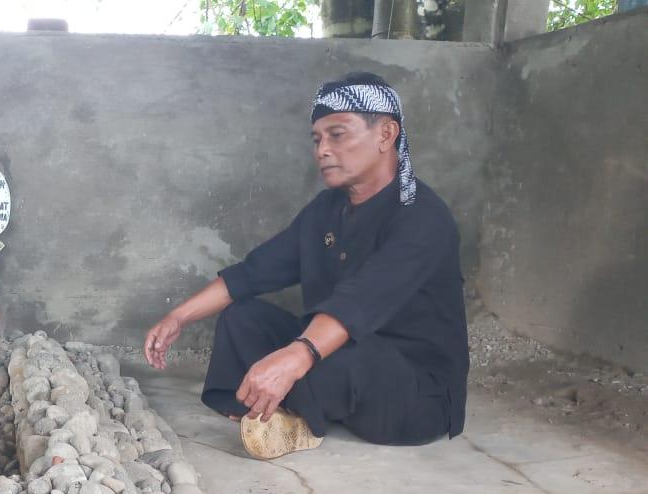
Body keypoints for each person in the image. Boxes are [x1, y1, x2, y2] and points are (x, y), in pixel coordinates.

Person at [143, 72, 469, 460]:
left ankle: (297, 416)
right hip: (338, 349)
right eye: (317, 139)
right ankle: (267, 407)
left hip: (411, 388)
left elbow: (360, 301)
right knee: (242, 317)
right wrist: (179, 316)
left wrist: (295, 356)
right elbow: (255, 271)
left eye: (338, 134)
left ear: (386, 134)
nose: (322, 150)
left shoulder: (422, 217)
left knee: (337, 357)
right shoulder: (327, 211)